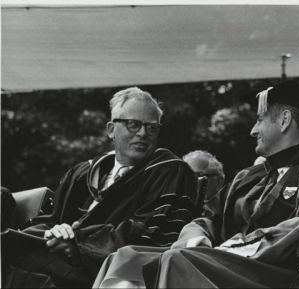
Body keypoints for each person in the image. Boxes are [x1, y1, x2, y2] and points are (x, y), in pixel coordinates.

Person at [93, 80, 299, 288]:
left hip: (280, 272)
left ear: (284, 120)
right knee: (127, 257)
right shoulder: (250, 177)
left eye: (259, 119)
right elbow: (211, 219)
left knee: (177, 261)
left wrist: (231, 248)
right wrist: (197, 236)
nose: (252, 130)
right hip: (230, 262)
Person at [2, 87, 198, 288]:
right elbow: (54, 218)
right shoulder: (83, 172)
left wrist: (78, 245)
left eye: (152, 128)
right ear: (111, 130)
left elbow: (154, 233)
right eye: (133, 125)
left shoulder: (170, 171)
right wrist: (57, 231)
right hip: (56, 257)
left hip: (108, 270)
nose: (143, 133)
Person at [182, 150, 225, 217]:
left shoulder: (230, 212)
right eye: (184, 178)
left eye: (196, 176)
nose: (188, 183)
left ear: (219, 181)